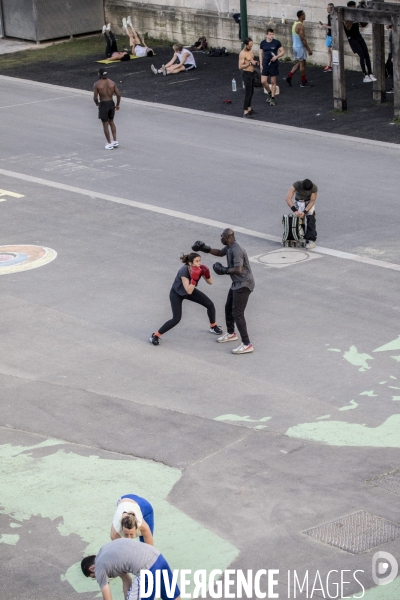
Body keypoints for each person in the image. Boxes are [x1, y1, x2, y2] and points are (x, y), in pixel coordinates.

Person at [192, 230, 255, 355]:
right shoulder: (229, 247)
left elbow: (238, 269)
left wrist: (224, 270)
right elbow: (220, 253)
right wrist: (205, 249)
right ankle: (231, 333)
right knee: (228, 308)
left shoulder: (237, 250)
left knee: (237, 313)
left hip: (244, 284)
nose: (220, 238)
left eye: (222, 236)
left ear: (227, 237)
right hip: (237, 284)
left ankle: (247, 344)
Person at [149, 252, 222, 346]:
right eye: (196, 261)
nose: (199, 263)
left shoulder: (199, 269)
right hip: (177, 294)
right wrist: (195, 279)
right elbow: (189, 291)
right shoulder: (183, 271)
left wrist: (207, 274)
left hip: (188, 290)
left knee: (210, 305)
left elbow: (210, 282)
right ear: (190, 263)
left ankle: (213, 326)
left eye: (200, 260)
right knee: (176, 319)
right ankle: (155, 336)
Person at [81, 537, 181, 600]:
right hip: (159, 559)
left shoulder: (99, 568)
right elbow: (126, 580)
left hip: (148, 570)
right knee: (172, 596)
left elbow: (107, 597)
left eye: (93, 577)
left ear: (91, 568)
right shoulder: (107, 554)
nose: (97, 577)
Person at [344, 1, 376, 82]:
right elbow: (348, 28)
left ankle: (370, 73)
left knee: (366, 54)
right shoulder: (346, 16)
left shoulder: (355, 15)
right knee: (361, 55)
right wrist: (352, 16)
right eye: (353, 8)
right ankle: (365, 75)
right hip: (352, 39)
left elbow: (363, 25)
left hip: (358, 36)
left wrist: (363, 16)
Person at [285, 179, 318, 249]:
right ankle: (300, 236)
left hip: (308, 203)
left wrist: (305, 211)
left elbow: (312, 201)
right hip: (299, 202)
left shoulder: (314, 187)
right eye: (305, 190)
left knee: (311, 219)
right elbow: (288, 198)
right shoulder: (296, 184)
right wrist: (295, 211)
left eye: (308, 190)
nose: (306, 191)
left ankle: (311, 240)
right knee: (298, 220)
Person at [93, 68, 121, 150]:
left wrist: (97, 103)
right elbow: (118, 94)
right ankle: (115, 140)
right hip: (111, 103)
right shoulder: (112, 83)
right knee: (111, 121)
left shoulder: (97, 84)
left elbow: (95, 98)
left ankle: (109, 143)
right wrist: (117, 104)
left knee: (105, 124)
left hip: (103, 104)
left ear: (99, 74)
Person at [284, 10, 313, 88]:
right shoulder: (300, 26)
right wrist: (308, 49)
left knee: (300, 63)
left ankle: (289, 76)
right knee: (302, 64)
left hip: (295, 46)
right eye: (304, 14)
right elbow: (303, 39)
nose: (305, 16)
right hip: (300, 47)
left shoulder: (295, 24)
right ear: (301, 16)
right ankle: (303, 82)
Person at [259, 28, 285, 106]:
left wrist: (276, 56)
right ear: (266, 35)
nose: (271, 36)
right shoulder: (262, 43)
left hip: (273, 64)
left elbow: (283, 51)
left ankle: (273, 98)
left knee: (273, 81)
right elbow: (260, 54)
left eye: (272, 34)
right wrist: (261, 64)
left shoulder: (276, 42)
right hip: (265, 64)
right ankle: (269, 93)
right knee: (263, 81)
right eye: (270, 34)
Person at [239, 37, 259, 118]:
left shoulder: (250, 51)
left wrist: (255, 62)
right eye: (249, 46)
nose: (251, 48)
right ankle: (245, 111)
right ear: (245, 45)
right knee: (248, 93)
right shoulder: (242, 53)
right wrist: (250, 64)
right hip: (246, 73)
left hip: (252, 73)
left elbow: (251, 60)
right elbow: (240, 66)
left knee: (251, 92)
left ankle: (249, 108)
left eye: (251, 46)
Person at [319, 3, 334, 71]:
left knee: (332, 50)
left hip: (333, 36)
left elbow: (334, 27)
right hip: (329, 35)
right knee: (328, 50)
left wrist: (326, 26)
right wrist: (324, 24)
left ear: (331, 9)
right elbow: (329, 24)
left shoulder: (334, 16)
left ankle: (332, 65)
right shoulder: (328, 16)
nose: (327, 9)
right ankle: (329, 66)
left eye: (328, 8)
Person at [386, 24, 393, 92]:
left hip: (393, 53)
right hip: (391, 53)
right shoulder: (391, 32)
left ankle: (394, 87)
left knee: (391, 70)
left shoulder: (393, 33)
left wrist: (393, 56)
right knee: (388, 68)